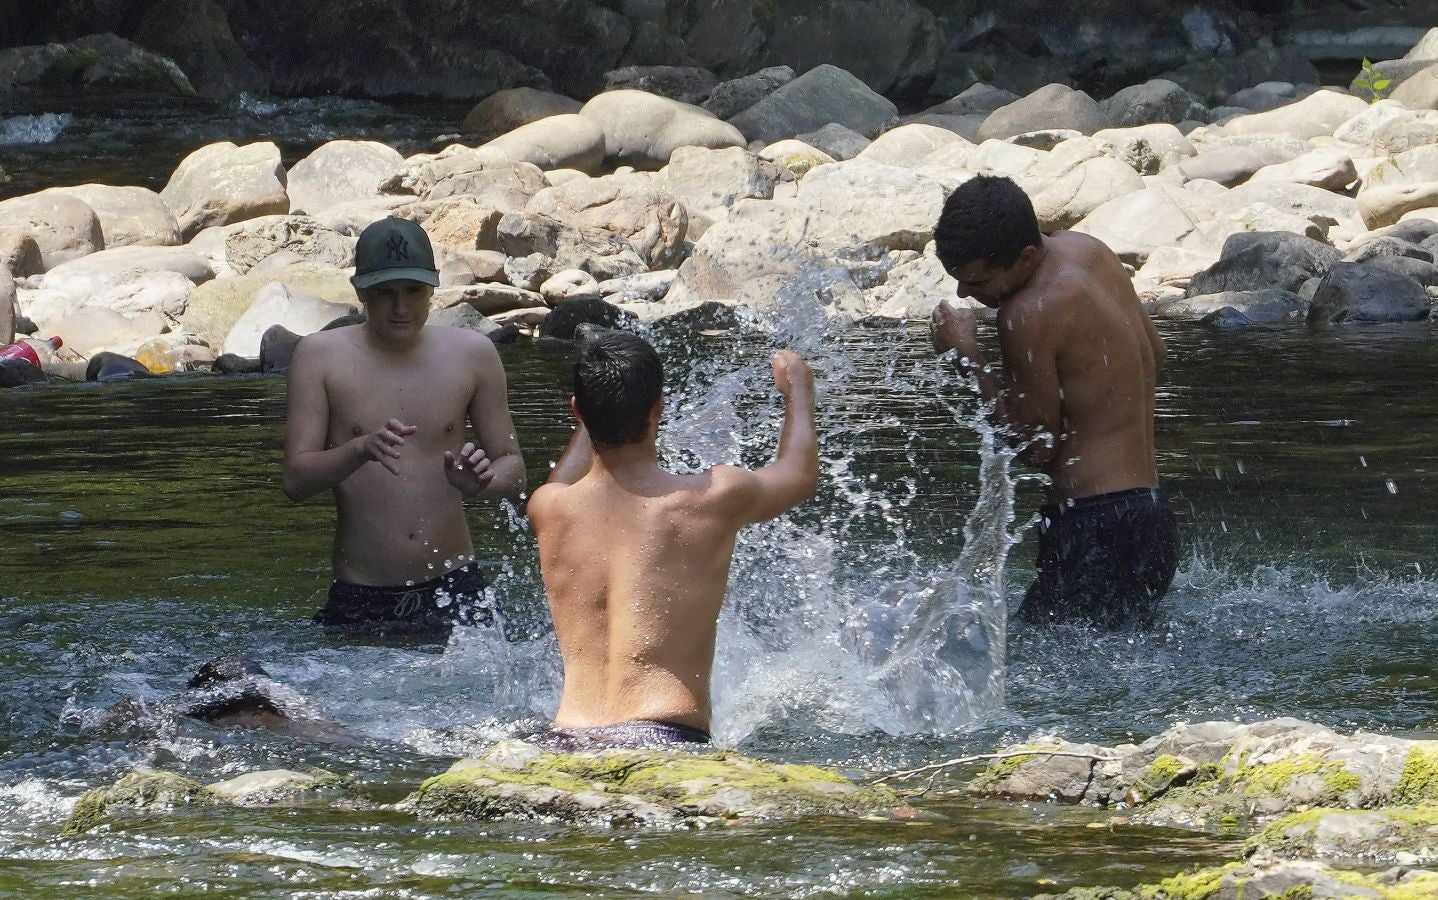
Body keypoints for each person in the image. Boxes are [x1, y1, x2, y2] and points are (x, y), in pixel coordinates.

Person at [526, 332, 818, 748]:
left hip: (568, 739)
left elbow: (566, 478)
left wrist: (591, 417)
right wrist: (799, 389)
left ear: (578, 412)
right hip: (664, 737)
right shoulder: (712, 497)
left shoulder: (549, 508)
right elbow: (799, 474)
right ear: (658, 410)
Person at [929, 174, 1177, 629]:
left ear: (1024, 258)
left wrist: (967, 356)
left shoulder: (1027, 313)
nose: (966, 294)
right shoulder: (1090, 250)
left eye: (978, 281)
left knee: (1031, 673)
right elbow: (1155, 353)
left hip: (1093, 524)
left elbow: (1036, 448)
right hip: (1151, 516)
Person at [282, 218, 526, 636]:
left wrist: (481, 482)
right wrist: (358, 450)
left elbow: (515, 470)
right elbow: (296, 481)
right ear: (360, 291)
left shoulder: (473, 354)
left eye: (413, 291)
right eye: (385, 294)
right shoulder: (319, 356)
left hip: (455, 586)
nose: (402, 307)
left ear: (432, 287)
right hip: (362, 593)